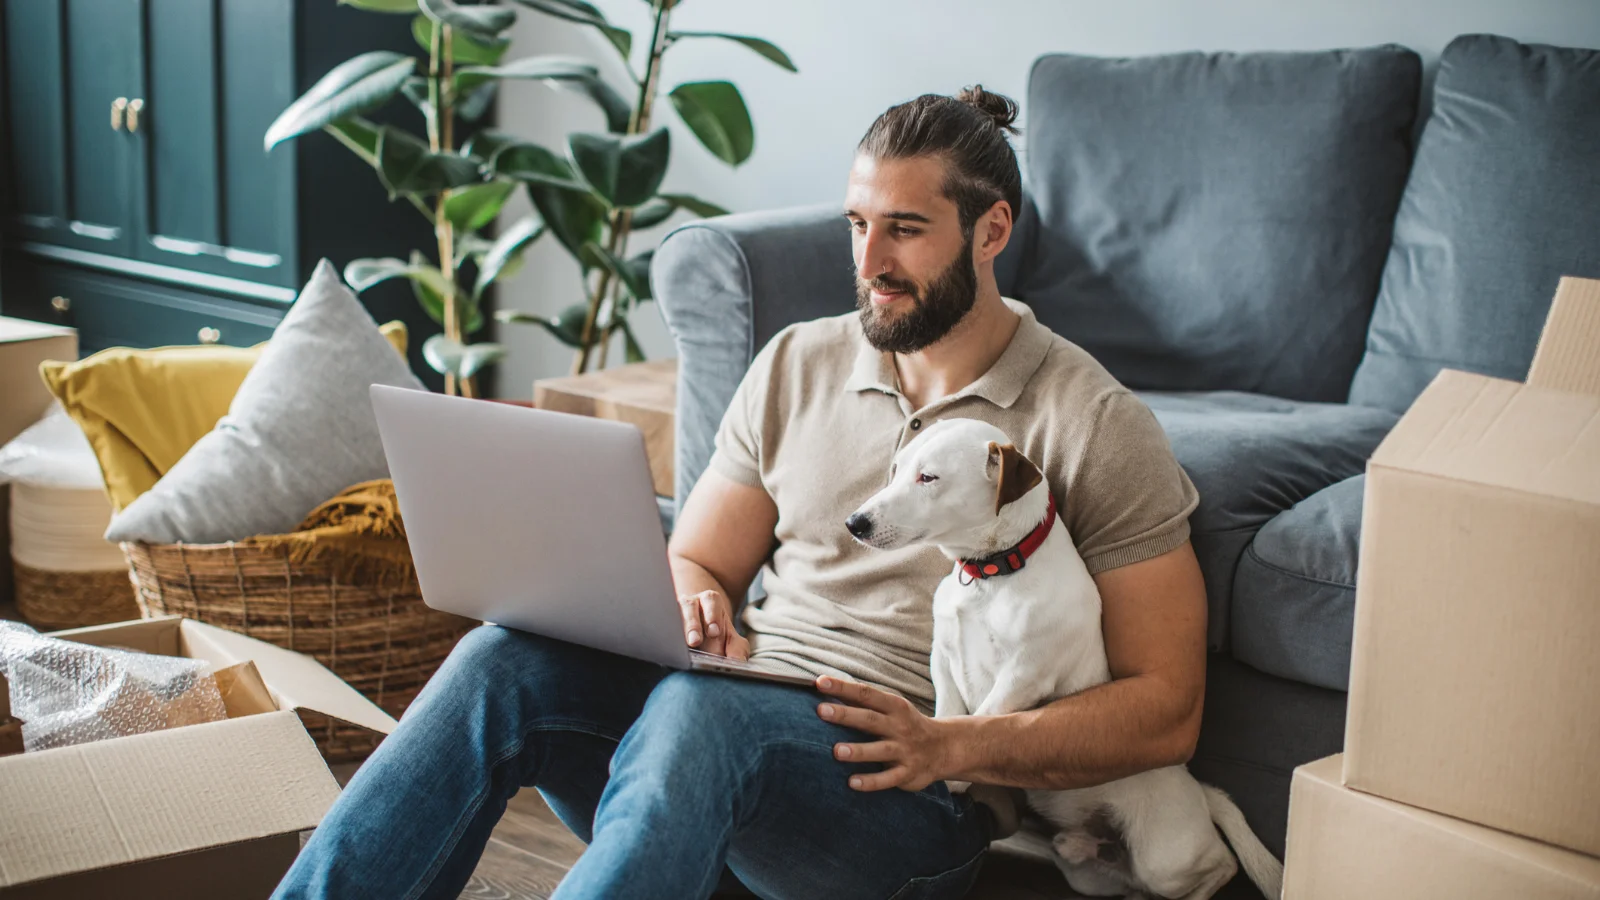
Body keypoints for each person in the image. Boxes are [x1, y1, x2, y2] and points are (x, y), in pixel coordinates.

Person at [272, 85, 1204, 900]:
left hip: (902, 807)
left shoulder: (1090, 422)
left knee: (699, 716)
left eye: (906, 230)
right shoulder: (799, 361)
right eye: (857, 224)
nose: (869, 260)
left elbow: (1169, 706)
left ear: (992, 230)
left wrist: (956, 746)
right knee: (501, 660)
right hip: (714, 741)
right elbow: (701, 557)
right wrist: (697, 602)